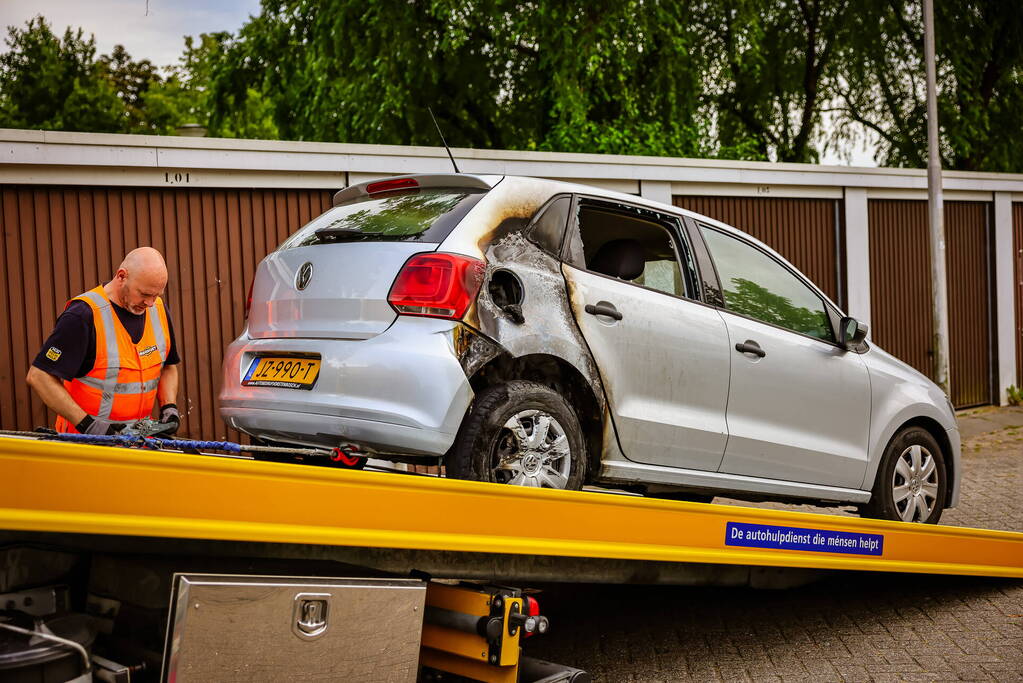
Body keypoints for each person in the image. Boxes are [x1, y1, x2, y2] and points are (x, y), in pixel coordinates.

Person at [26, 247, 182, 435]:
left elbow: (168, 365)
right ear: (122, 276)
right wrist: (88, 425)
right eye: (144, 294)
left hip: (139, 443)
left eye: (157, 295)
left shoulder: (157, 310)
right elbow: (39, 376)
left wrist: (169, 407)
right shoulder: (83, 315)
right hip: (86, 446)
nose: (150, 303)